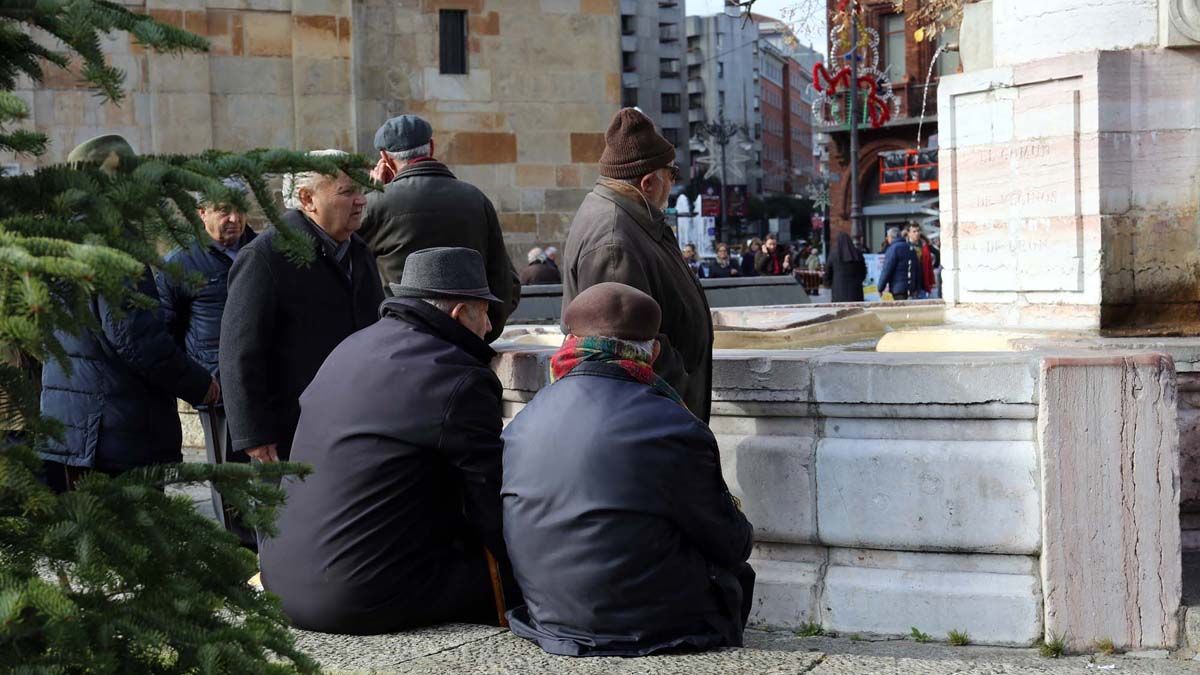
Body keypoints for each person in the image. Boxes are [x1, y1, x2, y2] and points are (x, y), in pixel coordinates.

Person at [260, 247, 518, 634]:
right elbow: (491, 501)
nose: (488, 327)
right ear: (460, 313)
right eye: (485, 313)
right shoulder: (457, 377)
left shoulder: (351, 347)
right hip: (357, 595)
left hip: (279, 578)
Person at [502, 282, 754, 657]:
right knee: (735, 575)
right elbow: (731, 542)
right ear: (652, 352)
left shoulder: (525, 420)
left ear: (570, 343)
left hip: (549, 620)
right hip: (653, 629)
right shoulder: (673, 425)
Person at [39, 135, 218, 492]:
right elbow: (136, 339)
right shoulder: (111, 242)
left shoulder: (57, 238)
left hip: (71, 430)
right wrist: (202, 386)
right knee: (132, 542)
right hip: (113, 433)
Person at [219, 150, 384, 465]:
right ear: (308, 199)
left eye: (362, 190)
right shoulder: (266, 256)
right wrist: (254, 433)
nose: (361, 201)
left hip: (356, 424)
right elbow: (239, 350)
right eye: (348, 192)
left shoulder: (360, 252)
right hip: (292, 432)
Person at [561, 107, 714, 422]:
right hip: (653, 423)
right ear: (648, 182)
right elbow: (623, 345)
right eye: (671, 174)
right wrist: (683, 401)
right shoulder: (614, 239)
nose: (673, 183)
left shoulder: (632, 220)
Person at [156, 177, 257, 545]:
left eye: (239, 209)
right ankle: (240, 551)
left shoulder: (264, 251)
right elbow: (167, 329)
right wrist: (196, 381)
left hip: (265, 380)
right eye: (222, 211)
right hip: (217, 388)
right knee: (229, 477)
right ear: (201, 214)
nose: (233, 218)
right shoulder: (179, 263)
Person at [359, 114, 519, 342]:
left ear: (384, 157)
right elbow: (504, 281)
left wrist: (373, 194)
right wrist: (483, 332)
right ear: (431, 147)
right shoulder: (475, 198)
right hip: (467, 338)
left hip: (399, 338)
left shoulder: (375, 204)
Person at [878, 224, 926, 300]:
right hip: (911, 288)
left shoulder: (892, 249)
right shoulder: (910, 248)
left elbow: (887, 269)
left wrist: (880, 288)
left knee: (901, 310)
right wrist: (917, 287)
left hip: (898, 288)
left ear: (890, 237)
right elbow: (917, 270)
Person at [824, 232, 867, 303]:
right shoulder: (858, 253)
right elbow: (863, 271)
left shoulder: (833, 254)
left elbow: (828, 272)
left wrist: (828, 283)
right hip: (856, 291)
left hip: (838, 291)